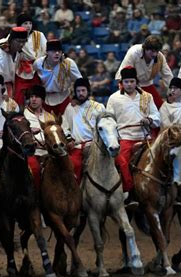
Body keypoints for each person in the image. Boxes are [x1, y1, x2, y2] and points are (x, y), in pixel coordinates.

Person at [106, 66, 160, 205]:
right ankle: (129, 192)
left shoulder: (147, 97)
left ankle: (166, 190)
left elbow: (157, 116)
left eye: (132, 81)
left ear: (136, 82)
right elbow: (109, 120)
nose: (129, 84)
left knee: (162, 157)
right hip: (125, 137)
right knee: (122, 161)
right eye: (126, 82)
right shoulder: (114, 98)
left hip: (145, 138)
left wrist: (149, 120)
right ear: (122, 83)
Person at [61, 78, 105, 182]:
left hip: (95, 145)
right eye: (78, 91)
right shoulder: (70, 107)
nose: (81, 93)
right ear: (75, 92)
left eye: (83, 91)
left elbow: (105, 126)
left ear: (88, 91)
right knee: (74, 165)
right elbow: (64, 126)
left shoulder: (98, 107)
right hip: (77, 146)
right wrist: (69, 139)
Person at [115, 35, 173, 110]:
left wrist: (173, 91)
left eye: (156, 51)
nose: (154, 54)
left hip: (148, 84)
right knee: (132, 109)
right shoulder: (133, 52)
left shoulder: (160, 57)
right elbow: (122, 74)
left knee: (161, 108)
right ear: (145, 48)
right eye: (152, 51)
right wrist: (124, 92)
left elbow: (168, 76)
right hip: (132, 86)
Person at [33, 39, 82, 115]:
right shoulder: (38, 63)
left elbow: (80, 81)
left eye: (59, 51)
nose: (57, 53)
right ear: (46, 52)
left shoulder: (69, 64)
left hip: (64, 98)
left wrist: (76, 97)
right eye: (53, 51)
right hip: (45, 99)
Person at [23, 85, 55, 190]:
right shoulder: (23, 116)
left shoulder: (50, 116)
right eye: (31, 97)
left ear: (42, 99)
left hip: (48, 153)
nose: (33, 99)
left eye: (36, 97)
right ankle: (36, 197)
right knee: (35, 169)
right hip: (31, 153)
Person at [0, 27, 28, 98]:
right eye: (19, 41)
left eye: (24, 41)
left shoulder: (19, 51)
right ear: (11, 40)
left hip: (11, 87)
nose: (21, 44)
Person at [13, 13, 47, 107]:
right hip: (21, 71)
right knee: (18, 96)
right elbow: (1, 44)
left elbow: (46, 51)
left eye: (30, 23)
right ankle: (18, 116)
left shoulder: (39, 35)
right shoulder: (14, 35)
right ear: (19, 25)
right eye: (25, 23)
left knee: (37, 94)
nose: (28, 26)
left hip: (36, 70)